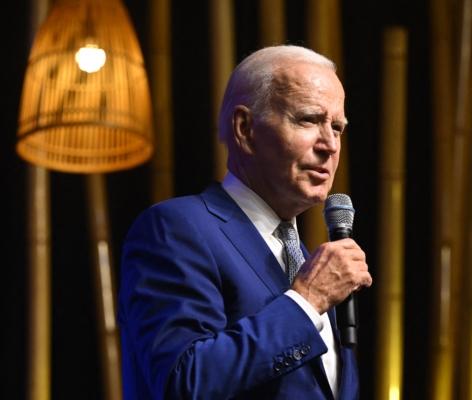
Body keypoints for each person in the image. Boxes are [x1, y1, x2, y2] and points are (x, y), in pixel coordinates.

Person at [118, 45, 373, 400]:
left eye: (338, 127)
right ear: (245, 128)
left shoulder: (305, 260)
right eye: (308, 119)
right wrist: (307, 300)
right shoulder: (175, 229)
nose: (330, 145)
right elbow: (183, 381)